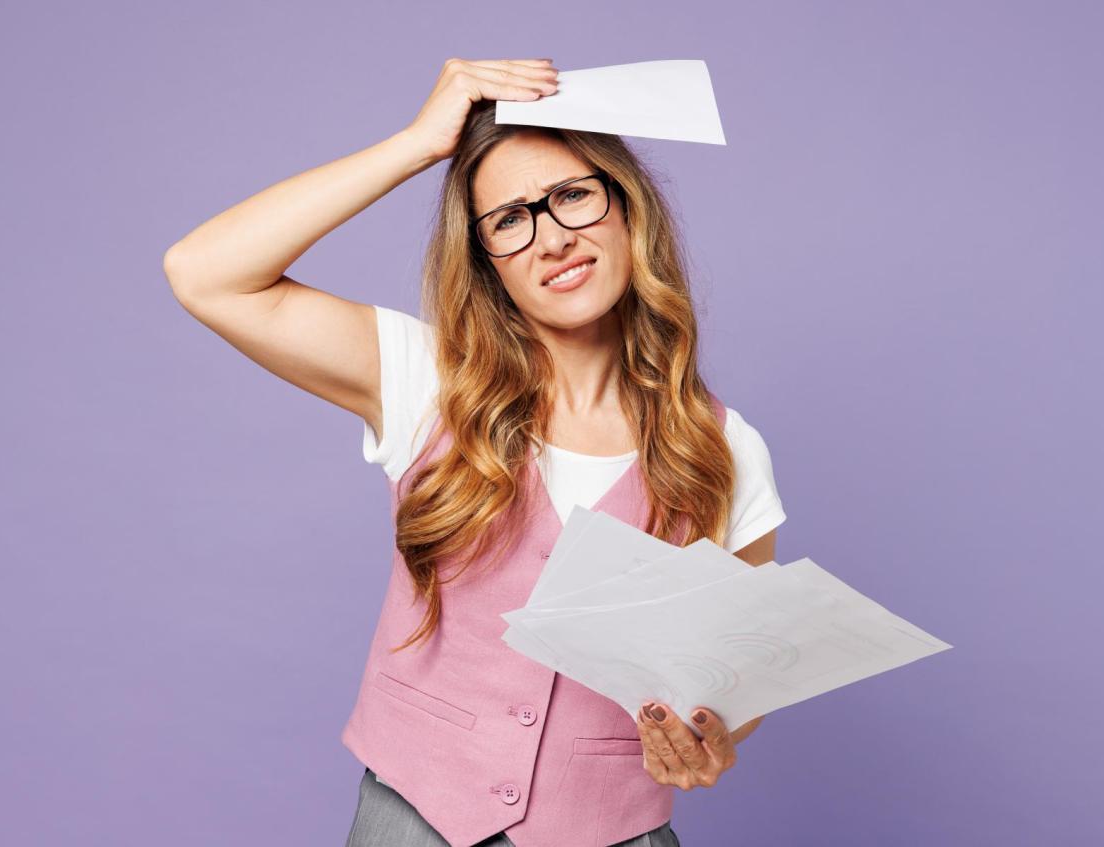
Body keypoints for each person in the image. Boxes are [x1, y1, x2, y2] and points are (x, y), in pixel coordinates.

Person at [164, 57, 786, 847]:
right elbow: (203, 272)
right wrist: (419, 144)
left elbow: (742, 683)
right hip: (412, 822)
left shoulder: (725, 446)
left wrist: (708, 737)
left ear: (627, 208)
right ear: (488, 261)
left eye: (571, 196)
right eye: (509, 219)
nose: (552, 237)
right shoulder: (426, 380)